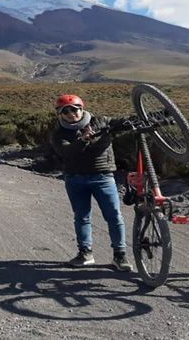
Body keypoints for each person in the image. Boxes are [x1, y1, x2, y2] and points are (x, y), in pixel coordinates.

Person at [50, 94, 133, 272]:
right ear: (60, 114)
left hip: (102, 177)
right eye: (66, 111)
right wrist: (83, 140)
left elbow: (123, 123)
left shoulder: (101, 121)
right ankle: (85, 253)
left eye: (75, 109)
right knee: (82, 217)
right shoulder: (59, 133)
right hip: (75, 179)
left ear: (82, 108)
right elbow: (66, 152)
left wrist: (155, 117)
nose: (71, 113)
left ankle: (120, 255)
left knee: (114, 215)